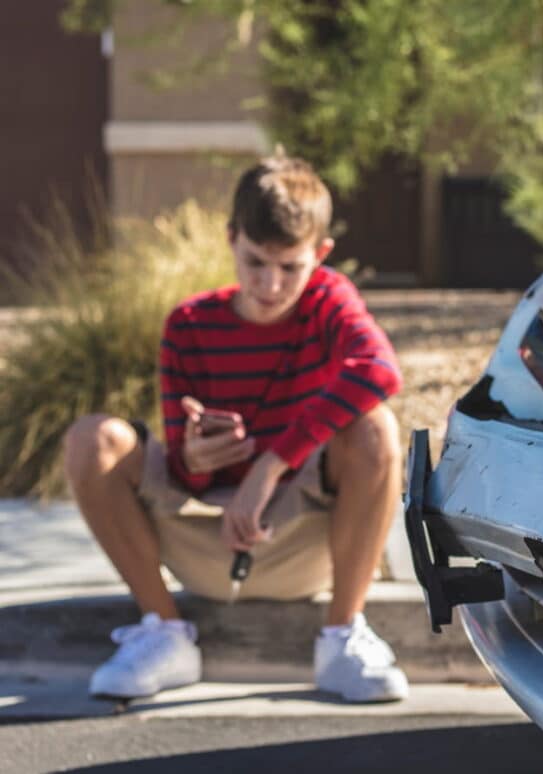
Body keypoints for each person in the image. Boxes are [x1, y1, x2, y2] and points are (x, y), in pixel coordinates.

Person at [62, 155, 408, 702]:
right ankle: (165, 633)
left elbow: (381, 370)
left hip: (304, 537)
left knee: (376, 429)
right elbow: (182, 474)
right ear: (231, 240)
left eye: (290, 267)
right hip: (206, 542)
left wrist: (270, 465)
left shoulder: (328, 300)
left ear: (319, 256)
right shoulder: (190, 323)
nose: (270, 285)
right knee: (92, 439)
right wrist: (194, 461)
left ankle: (342, 637)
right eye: (254, 262)